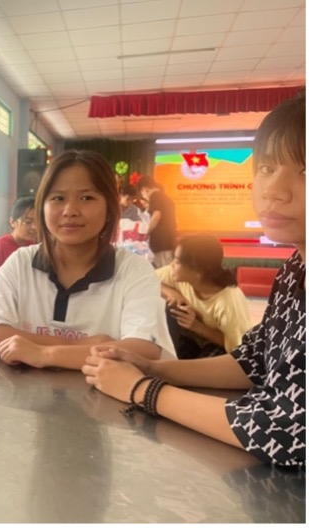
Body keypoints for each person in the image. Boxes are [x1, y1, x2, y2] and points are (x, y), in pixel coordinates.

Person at [83, 92, 305, 467]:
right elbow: (253, 362)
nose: (274, 191)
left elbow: (285, 432)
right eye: (266, 168)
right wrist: (150, 366)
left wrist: (142, 389)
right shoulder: (294, 272)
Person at [0, 149, 175, 368]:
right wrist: (84, 344)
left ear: (109, 207)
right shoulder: (21, 262)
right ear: (42, 206)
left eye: (86, 198)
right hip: (21, 398)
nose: (70, 210)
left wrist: (44, 354)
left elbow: (143, 349)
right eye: (58, 198)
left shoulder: (133, 270)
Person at [160, 234, 253, 359]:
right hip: (190, 341)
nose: (172, 265)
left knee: (193, 376)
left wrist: (197, 327)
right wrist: (171, 293)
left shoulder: (228, 301)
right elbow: (147, 279)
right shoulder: (179, 277)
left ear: (198, 272)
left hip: (221, 349)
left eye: (177, 261)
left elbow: (238, 348)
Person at [137, 174, 177, 268]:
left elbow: (156, 216)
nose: (144, 196)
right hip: (167, 241)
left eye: (142, 194)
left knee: (163, 271)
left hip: (162, 243)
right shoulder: (165, 198)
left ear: (145, 189)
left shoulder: (155, 196)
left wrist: (146, 232)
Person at [0, 196, 36, 271]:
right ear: (13, 222)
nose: (34, 227)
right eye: (28, 222)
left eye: (38, 222)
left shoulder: (33, 246)